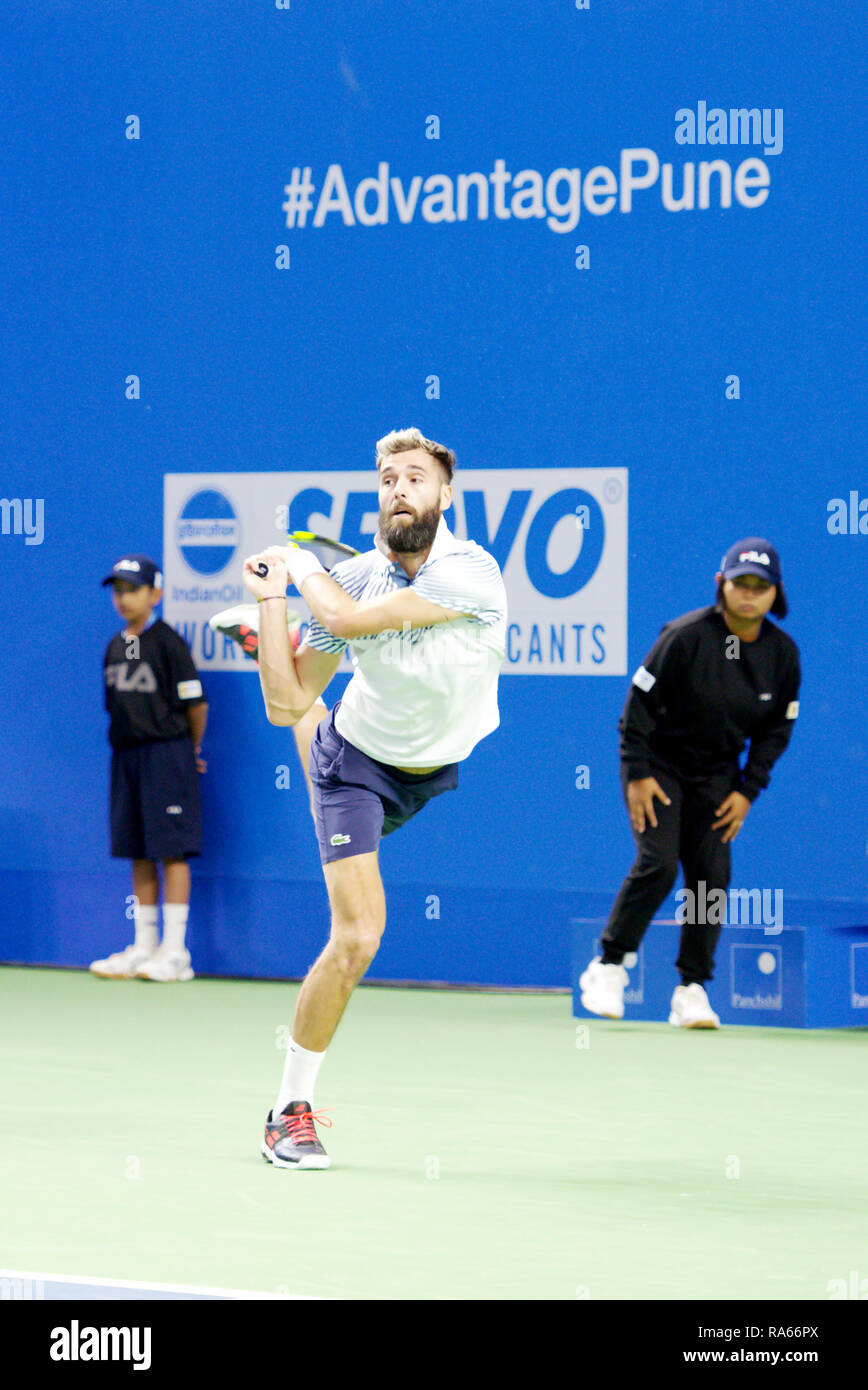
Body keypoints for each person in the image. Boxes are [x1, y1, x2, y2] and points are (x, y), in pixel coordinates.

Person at [244, 427, 507, 1169]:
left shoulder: (471, 571)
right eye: (388, 478)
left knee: (314, 720)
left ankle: (276, 667)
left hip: (433, 763)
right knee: (359, 935)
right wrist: (271, 603)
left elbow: (347, 623)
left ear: (444, 494)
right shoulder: (354, 575)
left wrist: (296, 566)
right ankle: (288, 1109)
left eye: (416, 477)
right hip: (361, 764)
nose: (400, 488)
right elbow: (282, 700)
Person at [580, 537, 801, 1028]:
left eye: (759, 586)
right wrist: (636, 774)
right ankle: (608, 966)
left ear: (774, 594)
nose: (749, 594)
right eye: (740, 583)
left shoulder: (783, 656)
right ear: (721, 585)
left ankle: (692, 989)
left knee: (710, 878)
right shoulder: (683, 636)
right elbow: (636, 708)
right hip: (657, 764)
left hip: (720, 776)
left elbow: (774, 731)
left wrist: (747, 790)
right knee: (658, 863)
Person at [90, 555, 208, 983]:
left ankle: (175, 954)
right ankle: (144, 947)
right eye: (118, 591)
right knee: (138, 850)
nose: (123, 598)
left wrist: (188, 749)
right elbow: (115, 708)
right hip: (127, 760)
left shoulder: (169, 643)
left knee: (171, 850)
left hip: (168, 757)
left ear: (155, 594)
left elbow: (196, 704)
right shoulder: (114, 646)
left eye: (132, 589)